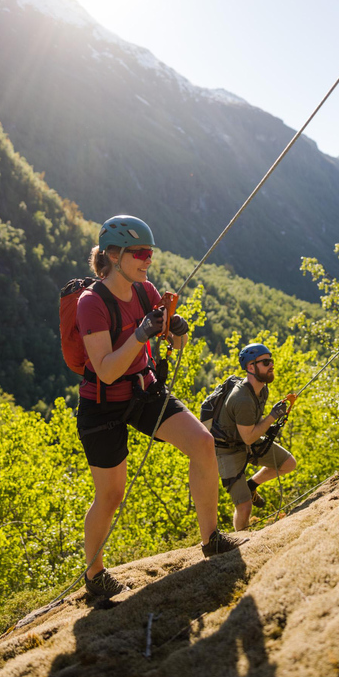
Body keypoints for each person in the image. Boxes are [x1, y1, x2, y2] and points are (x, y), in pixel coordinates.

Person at [76, 215, 247, 598]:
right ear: (114, 255)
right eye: (139, 253)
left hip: (143, 392)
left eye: (150, 253)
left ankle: (211, 539)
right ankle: (95, 577)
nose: (147, 259)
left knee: (203, 444)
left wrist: (177, 330)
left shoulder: (145, 290)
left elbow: (175, 343)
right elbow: (105, 371)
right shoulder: (92, 303)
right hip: (102, 406)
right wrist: (141, 334)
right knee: (111, 495)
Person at [215, 343, 297, 530]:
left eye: (271, 361)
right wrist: (273, 416)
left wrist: (270, 422)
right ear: (250, 367)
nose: (271, 365)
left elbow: (253, 427)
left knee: (288, 464)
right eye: (266, 362)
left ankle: (251, 485)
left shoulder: (262, 389)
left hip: (245, 440)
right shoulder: (242, 399)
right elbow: (249, 438)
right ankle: (238, 545)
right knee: (244, 507)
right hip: (227, 450)